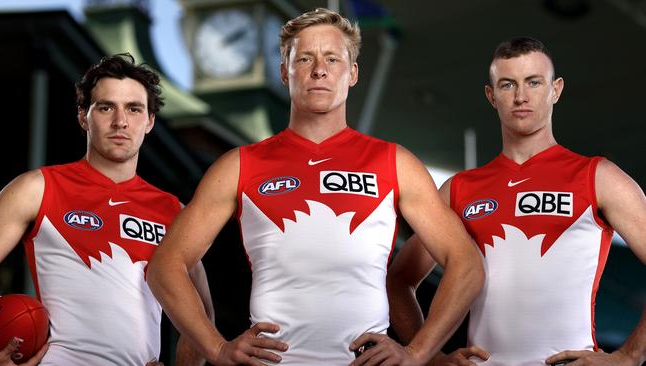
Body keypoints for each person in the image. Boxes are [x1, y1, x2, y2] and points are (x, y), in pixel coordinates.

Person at [147, 7, 483, 366]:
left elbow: (467, 264)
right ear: (283, 72)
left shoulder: (395, 163)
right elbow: (165, 266)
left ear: (352, 73)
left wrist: (418, 354)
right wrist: (217, 348)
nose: (319, 69)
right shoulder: (239, 165)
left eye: (332, 59)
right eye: (304, 58)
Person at [387, 36, 646, 365]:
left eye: (534, 82)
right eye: (508, 85)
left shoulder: (598, 177)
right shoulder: (460, 189)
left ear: (556, 89)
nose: (521, 97)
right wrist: (431, 357)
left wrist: (629, 356)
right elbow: (399, 280)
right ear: (491, 96)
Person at [0, 54, 214, 366]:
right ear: (84, 116)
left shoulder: (173, 211)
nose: (120, 121)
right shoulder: (37, 188)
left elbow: (202, 317)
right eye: (106, 107)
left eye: (134, 109)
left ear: (150, 121)